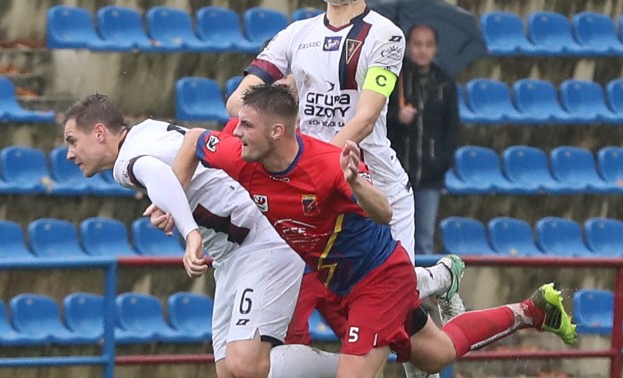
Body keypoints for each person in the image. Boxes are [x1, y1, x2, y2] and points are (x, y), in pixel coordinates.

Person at [173, 83, 577, 378]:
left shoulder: (330, 167)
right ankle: (531, 310)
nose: (234, 132)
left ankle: (440, 280)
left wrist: (357, 183)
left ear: (277, 132)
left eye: (245, 125)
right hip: (342, 282)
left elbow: (383, 213)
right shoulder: (240, 154)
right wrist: (170, 204)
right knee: (437, 355)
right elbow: (192, 140)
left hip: (379, 281)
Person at [227, 0, 465, 363]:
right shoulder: (296, 35)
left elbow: (366, 115)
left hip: (371, 178)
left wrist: (317, 164)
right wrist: (278, 100)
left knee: (402, 308)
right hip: (313, 185)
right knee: (393, 325)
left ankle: (437, 279)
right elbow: (238, 102)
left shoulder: (387, 38)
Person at [62, 93, 340, 378]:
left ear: (99, 133)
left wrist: (190, 232)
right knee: (228, 371)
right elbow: (175, 171)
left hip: (263, 238)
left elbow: (156, 171)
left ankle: (353, 369)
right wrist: (171, 205)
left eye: (72, 140)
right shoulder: (146, 131)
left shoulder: (125, 164)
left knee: (245, 365)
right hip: (232, 255)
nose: (69, 153)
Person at [387, 25, 460, 256]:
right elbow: (379, 119)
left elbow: (452, 129)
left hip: (431, 176)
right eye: (417, 44)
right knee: (395, 239)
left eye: (428, 45)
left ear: (435, 48)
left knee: (424, 241)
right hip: (399, 173)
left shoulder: (445, 84)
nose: (422, 50)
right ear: (408, 47)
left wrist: (442, 162)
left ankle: (422, 292)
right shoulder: (397, 80)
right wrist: (397, 117)